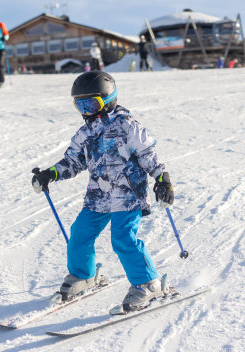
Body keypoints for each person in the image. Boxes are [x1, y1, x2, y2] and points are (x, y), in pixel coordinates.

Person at [30, 71, 175, 312]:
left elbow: (148, 156)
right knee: (80, 234)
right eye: (80, 105)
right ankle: (84, 275)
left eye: (91, 103)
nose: (86, 111)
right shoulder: (84, 134)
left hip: (128, 195)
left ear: (108, 100)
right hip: (98, 195)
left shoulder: (128, 126)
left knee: (123, 239)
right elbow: (72, 162)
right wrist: (50, 173)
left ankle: (148, 283)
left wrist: (162, 180)